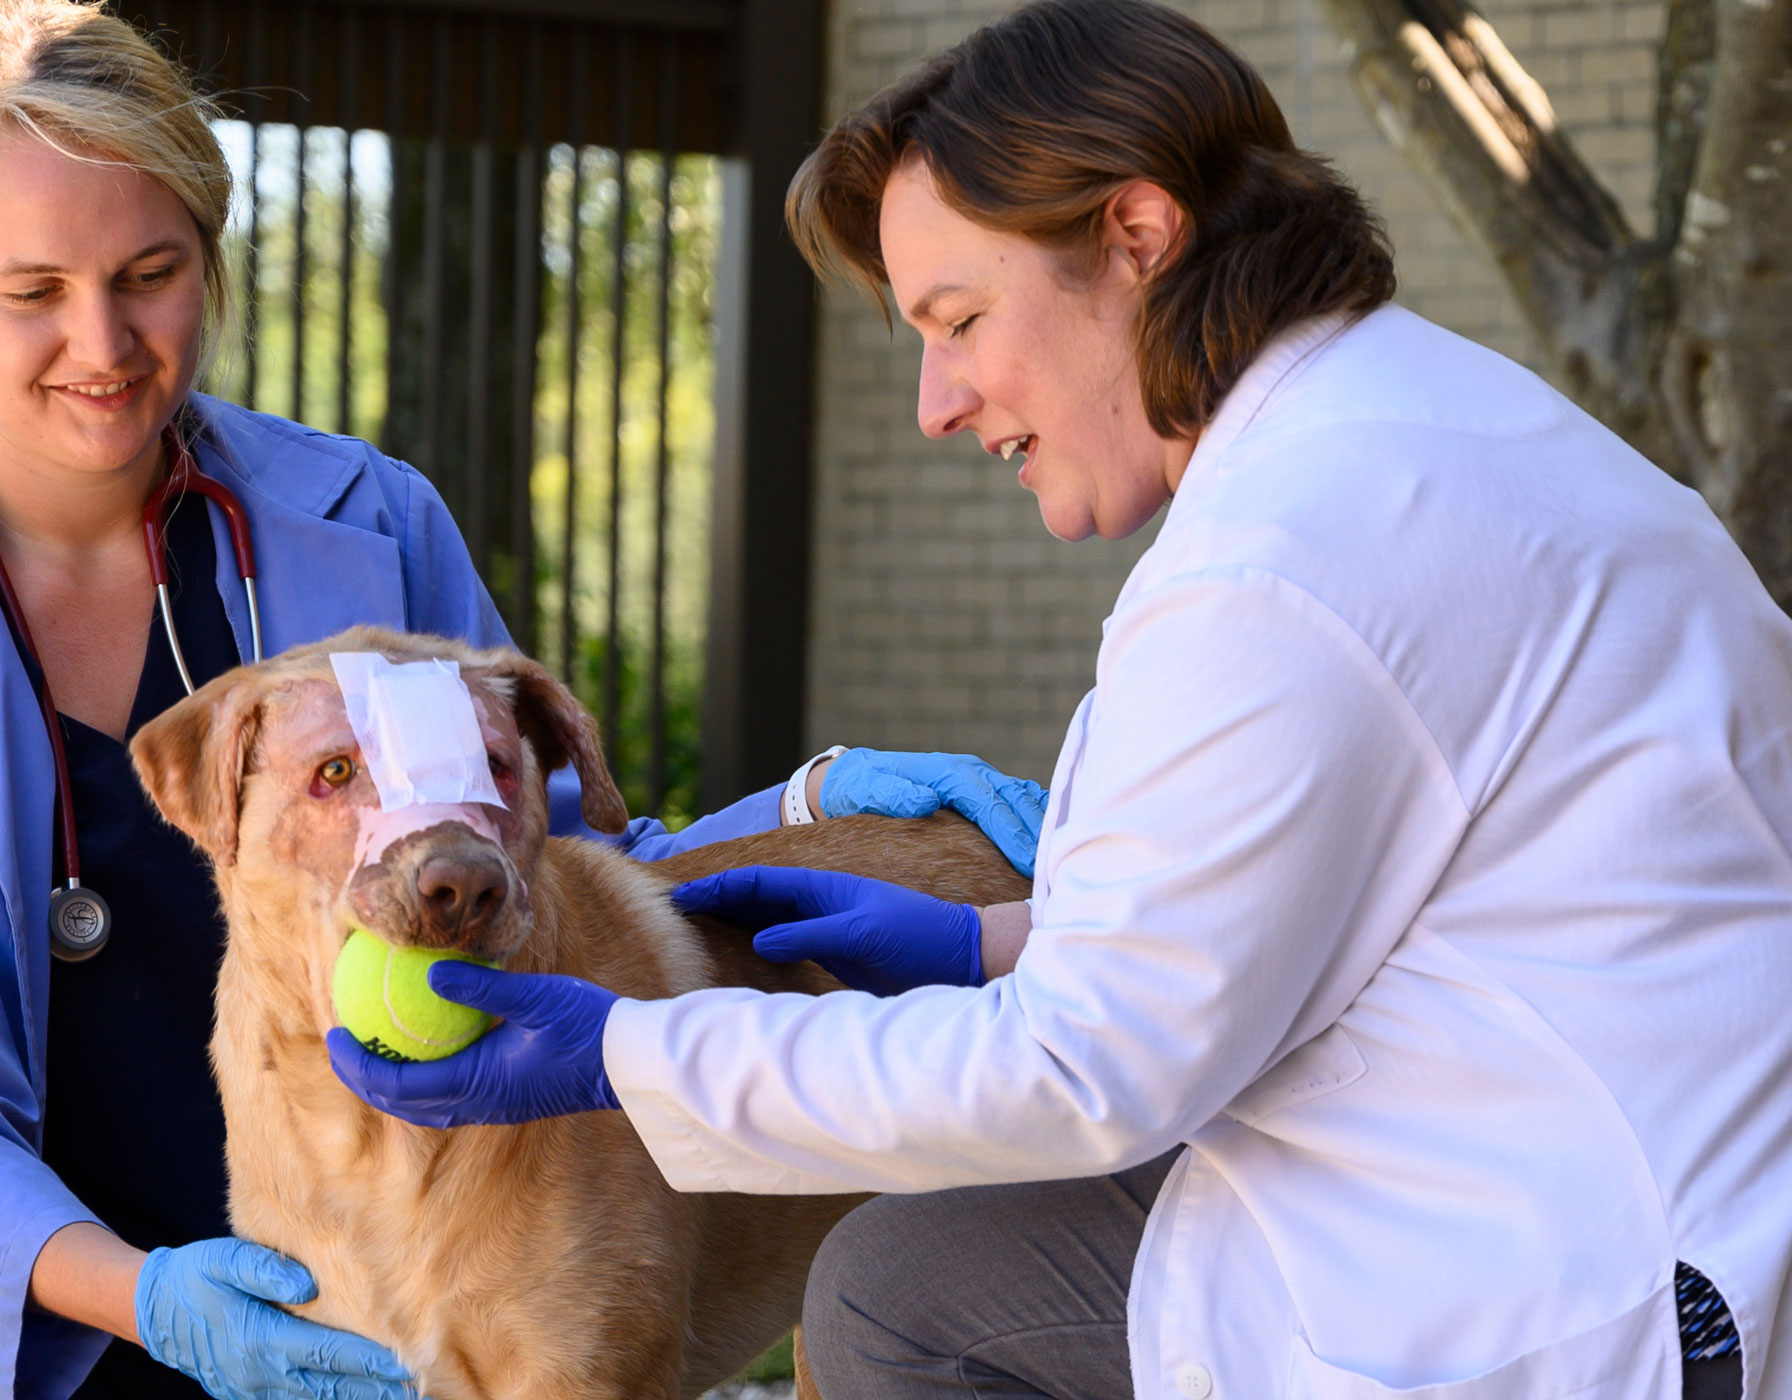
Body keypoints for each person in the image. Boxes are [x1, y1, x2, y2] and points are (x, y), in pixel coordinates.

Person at [331, 2, 1792, 1397]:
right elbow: (1406, 893)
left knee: (909, 1304)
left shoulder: (1285, 558)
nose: (936, 401)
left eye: (958, 318)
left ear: (1137, 237)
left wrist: (618, 1051)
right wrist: (994, 941)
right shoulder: (1415, 428)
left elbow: (1084, 1073)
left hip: (1600, 1278)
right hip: (1590, 1154)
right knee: (905, 1277)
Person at [0, 3, 1041, 1397]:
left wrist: (801, 807)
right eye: (34, 291)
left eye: (150, 273)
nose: (103, 341)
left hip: (360, 1265)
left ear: (208, 257)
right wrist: (154, 1301)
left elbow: (542, 864)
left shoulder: (369, 523)